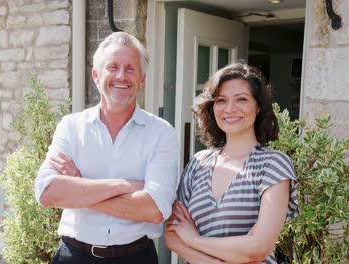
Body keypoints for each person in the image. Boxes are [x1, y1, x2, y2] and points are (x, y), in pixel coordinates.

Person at [35, 32, 178, 264]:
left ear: (142, 79)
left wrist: (79, 189)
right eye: (112, 67)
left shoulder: (161, 133)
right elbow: (47, 193)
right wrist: (123, 185)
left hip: (136, 258)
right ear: (96, 75)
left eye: (130, 68)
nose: (121, 75)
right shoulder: (71, 126)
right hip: (74, 256)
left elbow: (155, 210)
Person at [165, 61, 298, 264]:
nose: (230, 109)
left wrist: (193, 239)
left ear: (259, 107)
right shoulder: (198, 163)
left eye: (241, 99)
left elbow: (259, 246)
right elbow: (173, 234)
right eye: (221, 100)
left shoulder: (274, 165)